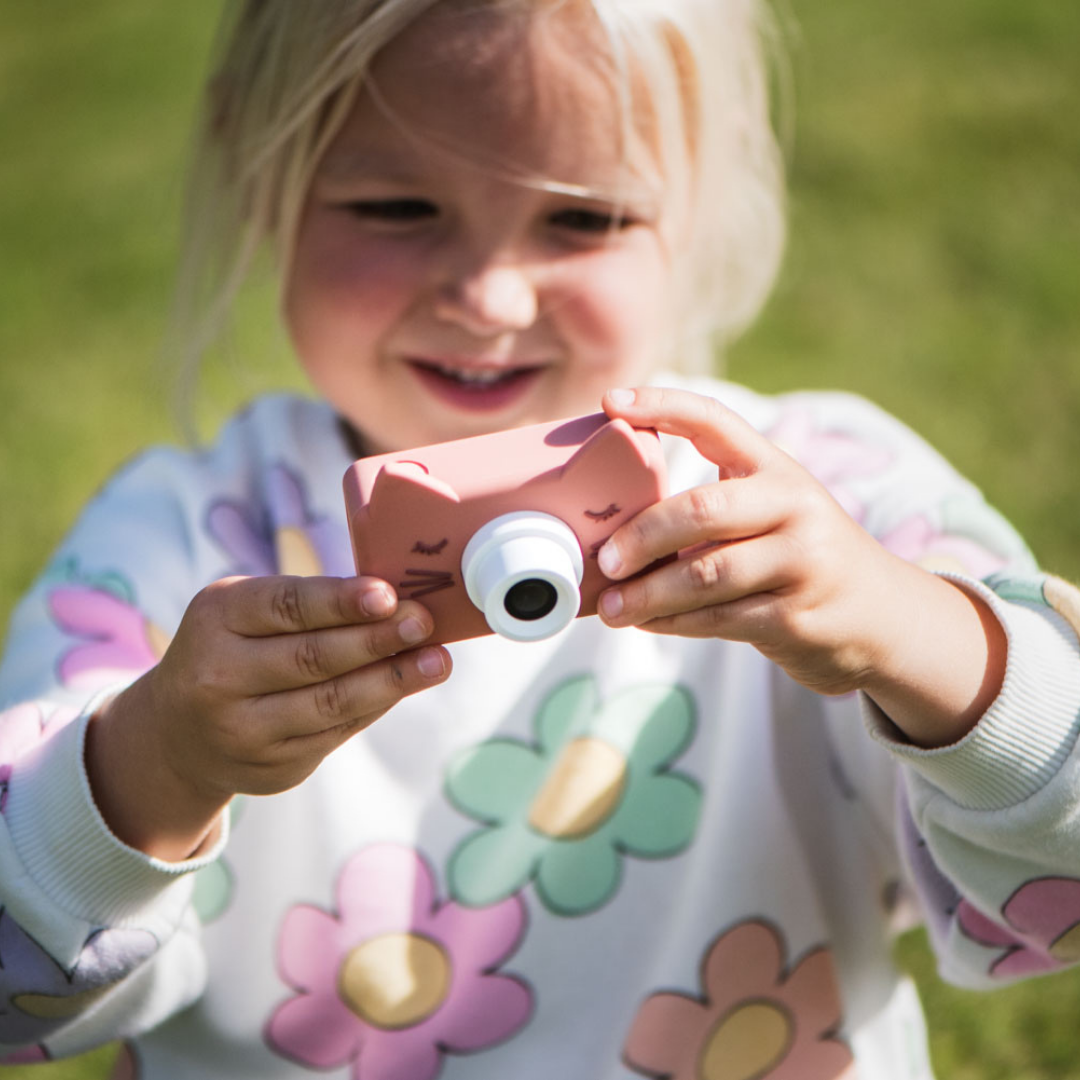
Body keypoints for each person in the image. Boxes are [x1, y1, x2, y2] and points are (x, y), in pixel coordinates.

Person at [1, 0, 1079, 1076]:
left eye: (583, 220)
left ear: (701, 199)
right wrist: (160, 762)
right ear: (261, 172)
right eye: (396, 207)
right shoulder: (176, 550)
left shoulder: (819, 504)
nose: (489, 297)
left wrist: (905, 633)